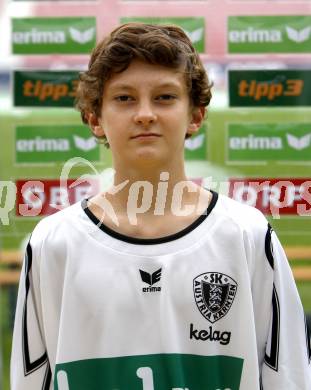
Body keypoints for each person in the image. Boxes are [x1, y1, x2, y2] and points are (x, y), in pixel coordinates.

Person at [11, 23, 310, 390]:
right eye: (124, 98)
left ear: (196, 115)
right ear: (94, 119)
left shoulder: (246, 234)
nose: (145, 114)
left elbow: (289, 376)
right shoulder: (53, 243)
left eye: (165, 97)